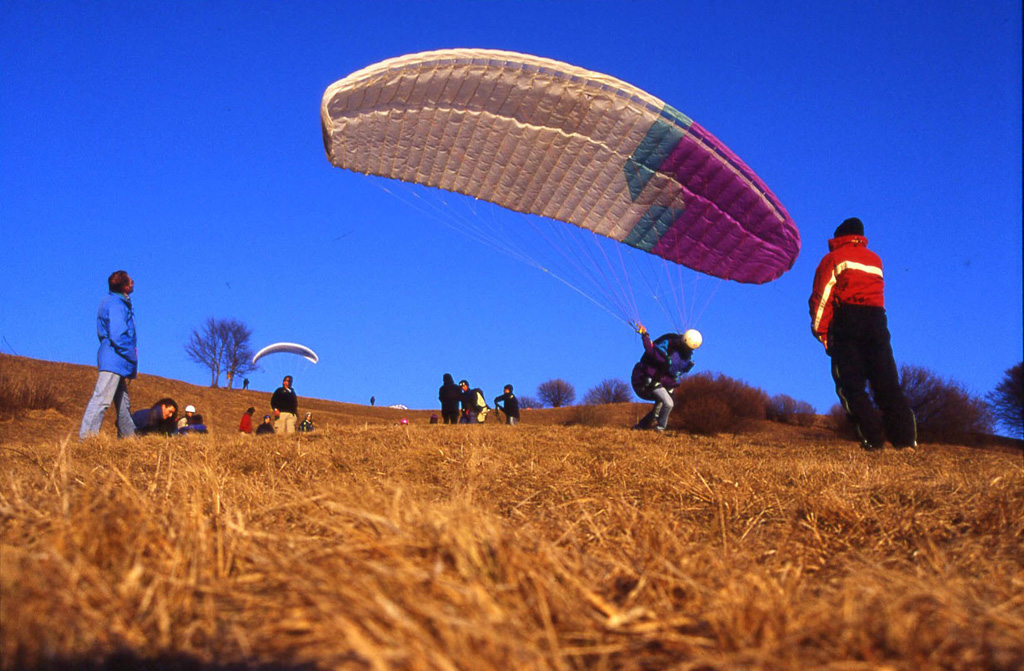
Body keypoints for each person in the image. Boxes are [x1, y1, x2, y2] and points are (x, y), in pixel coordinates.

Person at [809, 217, 917, 450]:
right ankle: (906, 440)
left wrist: (822, 333)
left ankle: (873, 440)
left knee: (851, 385)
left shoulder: (833, 259)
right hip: (878, 321)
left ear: (838, 237)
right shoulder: (875, 259)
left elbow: (821, 298)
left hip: (847, 321)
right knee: (887, 382)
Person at [79, 270, 138, 440]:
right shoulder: (116, 305)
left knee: (123, 404)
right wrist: (131, 355)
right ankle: (86, 440)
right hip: (115, 359)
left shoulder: (115, 302)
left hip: (116, 359)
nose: (134, 282)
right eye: (131, 280)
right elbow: (118, 335)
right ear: (125, 286)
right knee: (102, 399)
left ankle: (129, 439)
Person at [630, 324, 700, 432]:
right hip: (651, 381)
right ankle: (660, 428)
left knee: (659, 407)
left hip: (664, 383)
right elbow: (650, 349)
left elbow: (676, 372)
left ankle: (641, 427)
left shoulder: (684, 359)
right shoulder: (666, 353)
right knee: (669, 403)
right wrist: (644, 335)